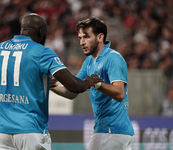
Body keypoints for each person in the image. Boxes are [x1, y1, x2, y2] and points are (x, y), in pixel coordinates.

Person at [0, 13, 103, 150]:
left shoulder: (1, 48)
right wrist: (87, 82)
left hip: (2, 131)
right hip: (31, 130)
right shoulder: (42, 52)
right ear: (41, 32)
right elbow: (73, 85)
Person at [51, 17, 134, 150]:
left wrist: (97, 84)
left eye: (86, 37)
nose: (82, 42)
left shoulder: (113, 58)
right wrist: (52, 86)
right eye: (80, 38)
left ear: (100, 37)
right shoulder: (89, 62)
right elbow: (74, 90)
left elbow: (119, 93)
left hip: (111, 130)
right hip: (109, 131)